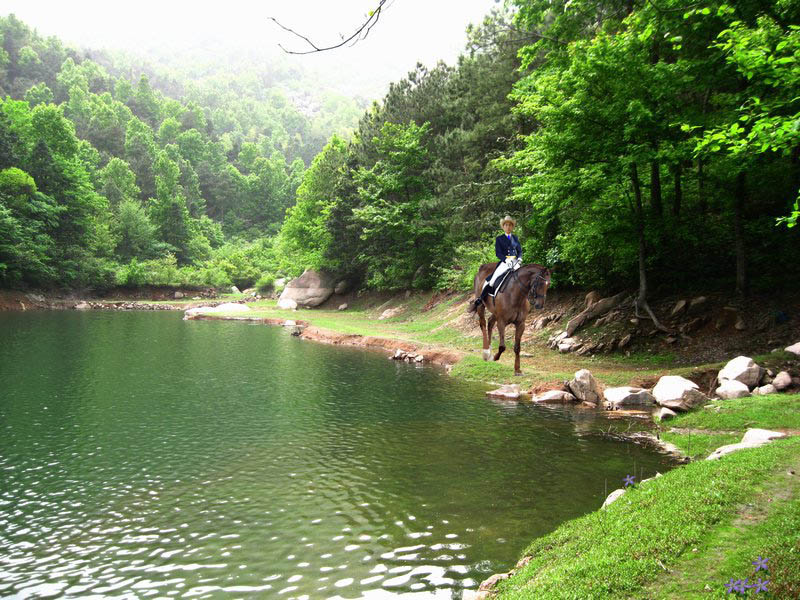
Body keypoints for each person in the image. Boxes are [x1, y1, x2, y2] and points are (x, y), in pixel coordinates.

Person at [472, 215, 522, 310]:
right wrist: (506, 260)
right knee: (492, 280)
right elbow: (498, 253)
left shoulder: (515, 238)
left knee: (524, 278)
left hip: (515, 262)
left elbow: (519, 251)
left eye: (510, 225)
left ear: (512, 227)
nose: (508, 227)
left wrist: (519, 258)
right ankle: (481, 298)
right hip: (504, 262)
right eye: (506, 225)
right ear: (503, 227)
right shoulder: (499, 239)